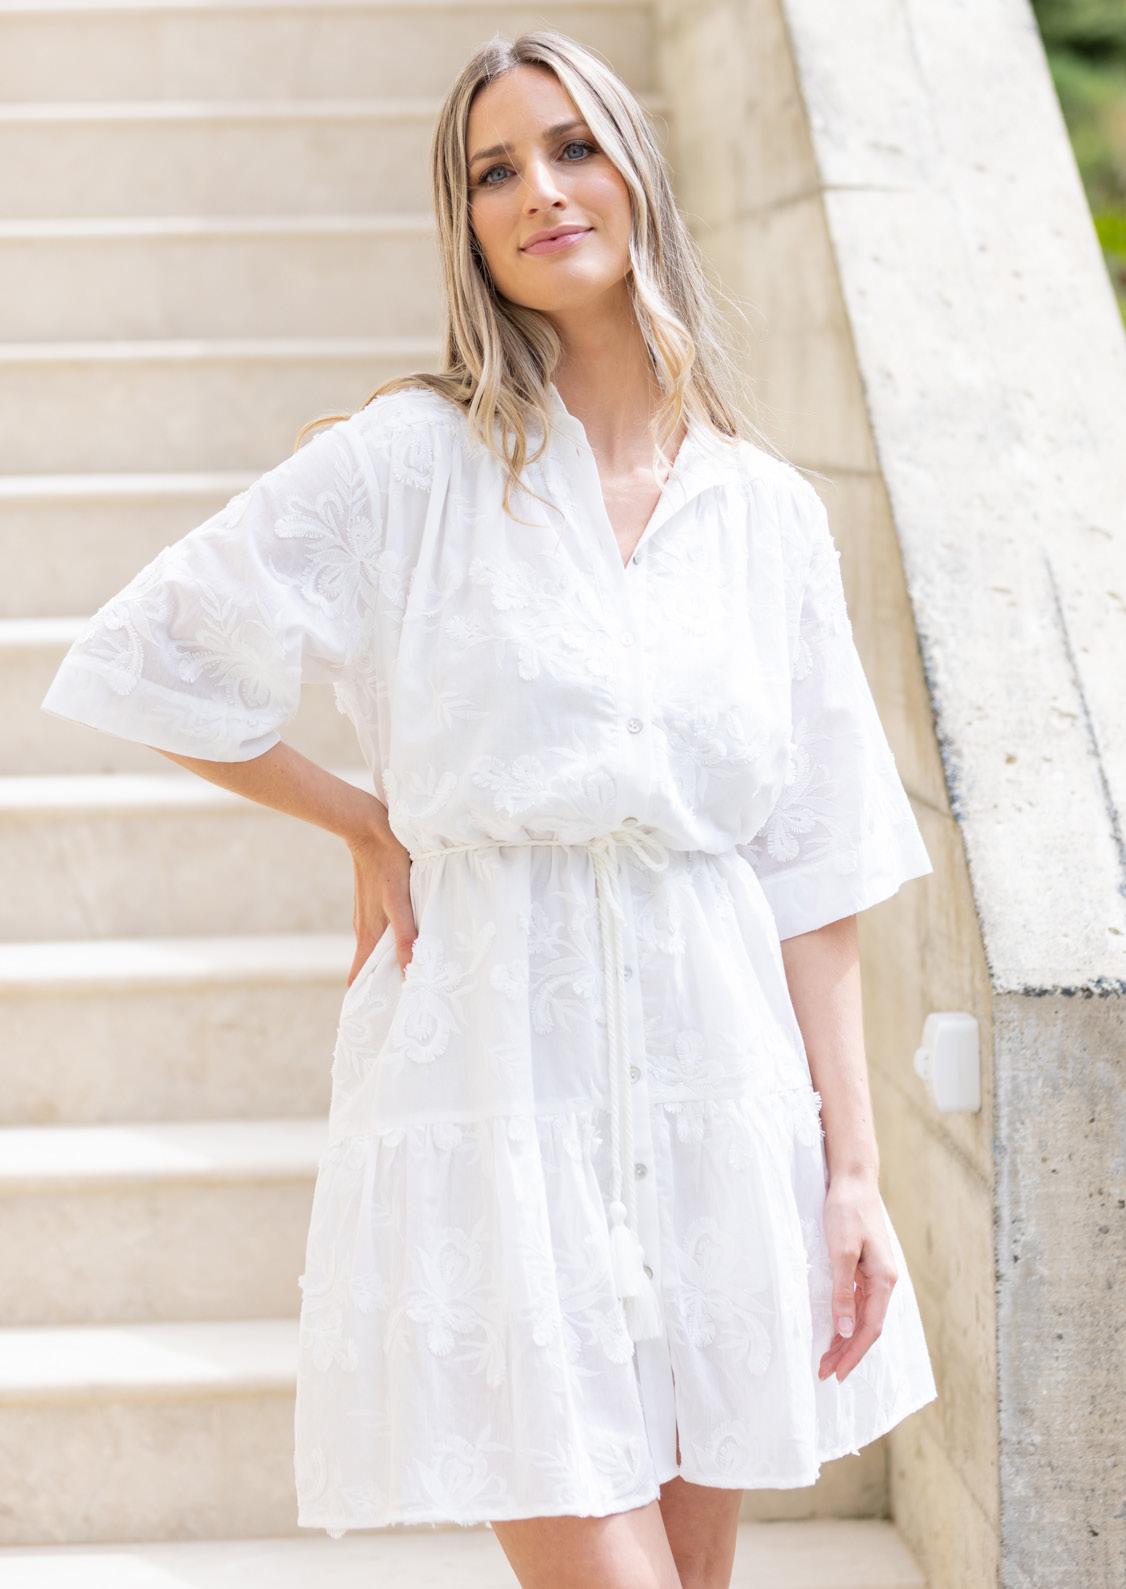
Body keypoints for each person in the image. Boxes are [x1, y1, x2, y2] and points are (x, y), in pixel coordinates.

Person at [39, 28, 938, 1589]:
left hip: (714, 1084)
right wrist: (363, 819)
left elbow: (815, 864)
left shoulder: (767, 514)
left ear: (637, 175)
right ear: (462, 224)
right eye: (492, 171)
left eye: (572, 147)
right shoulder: (407, 466)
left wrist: (850, 1173)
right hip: (495, 1082)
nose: (539, 191)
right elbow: (149, 654)